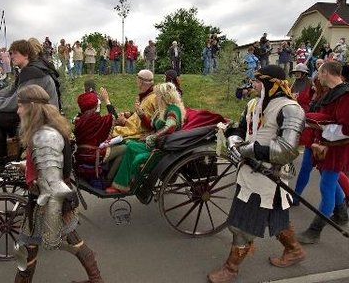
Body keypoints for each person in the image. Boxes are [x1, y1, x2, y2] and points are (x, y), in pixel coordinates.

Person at [207, 65, 306, 283]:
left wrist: (248, 150)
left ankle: (231, 269)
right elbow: (241, 129)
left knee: (241, 225)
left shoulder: (291, 109)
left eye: (258, 81)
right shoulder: (253, 104)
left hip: (270, 175)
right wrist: (234, 141)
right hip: (251, 172)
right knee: (277, 218)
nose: (253, 85)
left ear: (271, 84)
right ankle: (294, 251)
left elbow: (286, 150)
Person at [12, 84, 103, 283]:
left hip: (45, 205)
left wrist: (52, 223)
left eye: (20, 105)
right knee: (75, 243)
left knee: (27, 253)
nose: (18, 110)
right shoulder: (47, 131)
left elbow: (52, 186)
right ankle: (96, 280)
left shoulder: (44, 137)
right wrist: (26, 166)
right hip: (49, 200)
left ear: (32, 106)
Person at [0, 39, 59, 172]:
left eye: (14, 53)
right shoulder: (31, 69)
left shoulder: (32, 72)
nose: (11, 56)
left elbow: (15, 102)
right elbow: (13, 89)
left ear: (25, 55)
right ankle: (6, 153)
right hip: (39, 113)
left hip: (42, 118)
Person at [298, 61, 349, 244]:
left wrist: (318, 124)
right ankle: (342, 213)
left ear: (326, 73)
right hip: (328, 145)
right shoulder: (335, 93)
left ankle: (314, 231)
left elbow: (346, 128)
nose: (318, 77)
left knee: (326, 186)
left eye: (319, 73)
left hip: (336, 148)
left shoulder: (345, 95)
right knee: (331, 182)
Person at [106, 82, 185, 193]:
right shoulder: (162, 109)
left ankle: (125, 184)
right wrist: (141, 115)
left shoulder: (173, 109)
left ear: (164, 97)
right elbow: (152, 126)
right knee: (130, 145)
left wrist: (153, 136)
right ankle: (120, 185)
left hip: (163, 150)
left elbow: (170, 127)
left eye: (157, 95)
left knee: (137, 157)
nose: (156, 97)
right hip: (156, 145)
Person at [73, 87, 119, 186]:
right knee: (124, 148)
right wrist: (107, 100)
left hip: (81, 154)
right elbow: (114, 116)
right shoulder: (96, 120)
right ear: (95, 105)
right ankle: (110, 181)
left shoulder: (78, 120)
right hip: (93, 154)